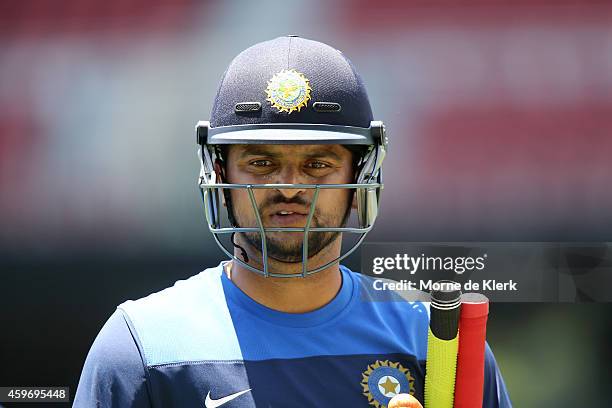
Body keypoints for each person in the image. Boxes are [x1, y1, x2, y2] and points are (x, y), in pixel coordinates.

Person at [74, 36, 511, 408]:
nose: (289, 187)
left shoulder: (434, 341)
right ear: (221, 174)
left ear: (359, 176)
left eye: (318, 163)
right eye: (262, 162)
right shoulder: (144, 346)